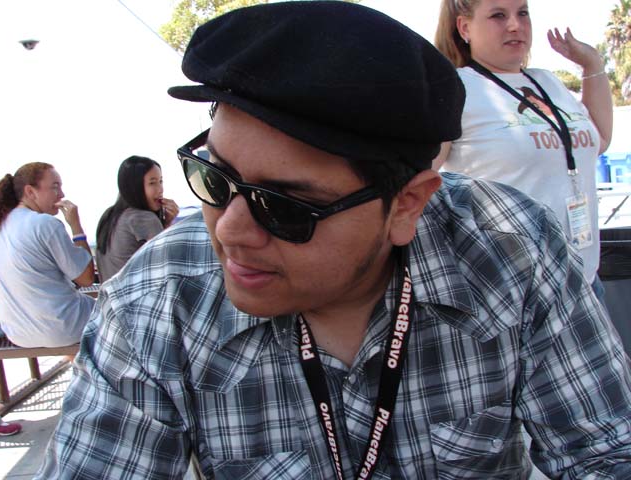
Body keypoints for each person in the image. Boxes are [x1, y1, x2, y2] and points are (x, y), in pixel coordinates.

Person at [37, 2, 631, 479]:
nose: (230, 231)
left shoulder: (512, 250)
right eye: (214, 179)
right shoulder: (156, 299)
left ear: (407, 205)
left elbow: (607, 450)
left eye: (285, 206)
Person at [433, 0, 614, 301]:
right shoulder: (454, 88)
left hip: (585, 284)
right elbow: (420, 178)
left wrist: (592, 64)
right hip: (512, 295)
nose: (515, 25)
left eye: (523, 13)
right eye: (498, 15)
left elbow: (599, 141)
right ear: (465, 28)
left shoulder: (548, 81)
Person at [0, 162, 95, 348]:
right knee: (124, 312)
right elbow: (86, 279)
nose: (61, 194)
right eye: (55, 187)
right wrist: (76, 226)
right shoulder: (44, 223)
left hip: (18, 334)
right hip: (63, 329)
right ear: (30, 192)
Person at [95, 156, 179, 282]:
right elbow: (170, 265)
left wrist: (166, 222)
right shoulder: (144, 218)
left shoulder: (109, 216)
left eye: (160, 181)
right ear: (135, 186)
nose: (160, 189)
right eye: (152, 183)